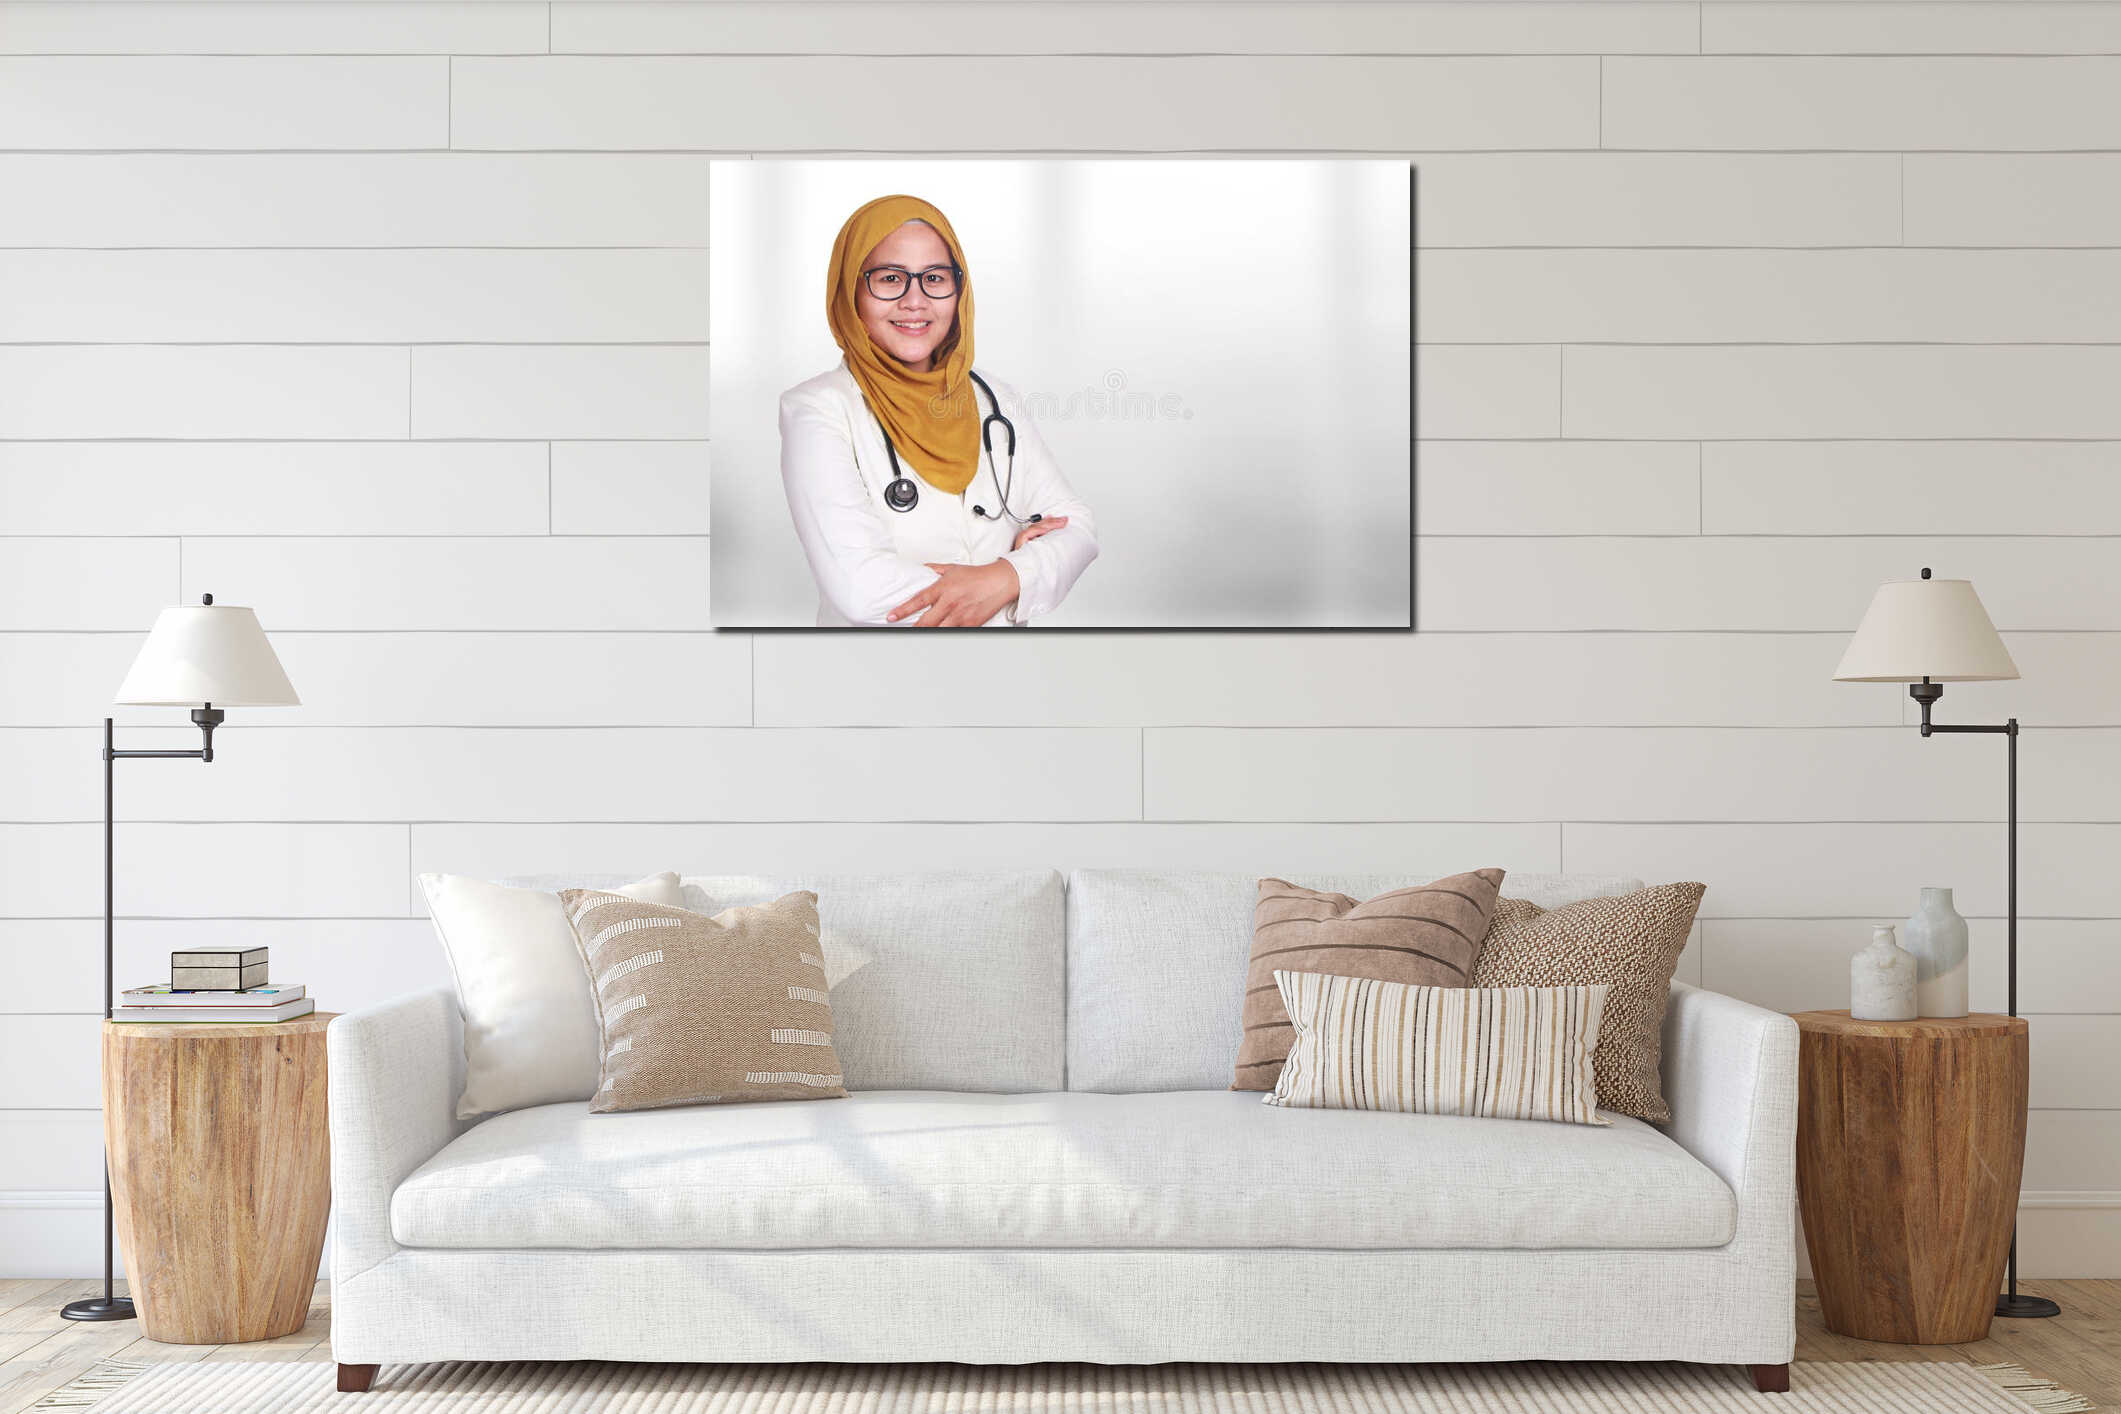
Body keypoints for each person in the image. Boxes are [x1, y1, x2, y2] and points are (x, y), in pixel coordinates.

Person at [778, 195, 1098, 627]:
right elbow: (862, 590)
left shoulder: (995, 399)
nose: (916, 300)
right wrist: (1014, 580)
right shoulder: (816, 410)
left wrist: (1008, 575)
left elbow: (1078, 529)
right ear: (849, 290)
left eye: (935, 277)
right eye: (890, 278)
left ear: (958, 289)